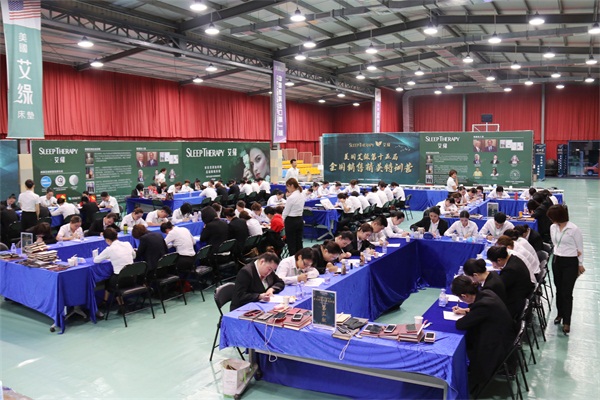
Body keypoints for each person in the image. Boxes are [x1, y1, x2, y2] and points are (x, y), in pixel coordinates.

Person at [450, 275, 515, 393]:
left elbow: (461, 324)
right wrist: (466, 311)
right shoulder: (486, 293)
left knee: (467, 342)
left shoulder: (483, 305)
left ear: (464, 296)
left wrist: (467, 314)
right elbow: (480, 312)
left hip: (496, 347)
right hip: (505, 335)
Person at [547, 204, 585, 335]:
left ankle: (567, 322)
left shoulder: (574, 229)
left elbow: (580, 248)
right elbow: (554, 243)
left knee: (567, 292)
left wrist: (580, 264)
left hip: (570, 262)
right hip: (557, 260)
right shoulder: (553, 227)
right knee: (559, 289)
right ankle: (560, 314)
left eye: (552, 217)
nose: (551, 220)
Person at [487, 245, 533, 318]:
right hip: (522, 292)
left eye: (492, 262)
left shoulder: (510, 270)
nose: (493, 265)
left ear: (499, 260)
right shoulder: (514, 259)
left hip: (515, 301)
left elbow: (498, 286)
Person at [93, 228, 136, 305]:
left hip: (119, 280)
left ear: (107, 240)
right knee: (113, 280)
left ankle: (112, 303)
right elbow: (134, 256)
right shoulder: (127, 244)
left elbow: (96, 260)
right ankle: (110, 302)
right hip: (132, 277)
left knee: (109, 281)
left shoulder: (109, 249)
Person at [282, 178, 305, 256]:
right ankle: (301, 257)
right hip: (299, 219)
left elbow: (286, 211)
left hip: (291, 220)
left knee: (291, 242)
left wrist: (282, 219)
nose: (287, 188)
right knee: (299, 241)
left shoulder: (292, 197)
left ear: (291, 185)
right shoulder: (302, 194)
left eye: (287, 186)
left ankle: (293, 259)